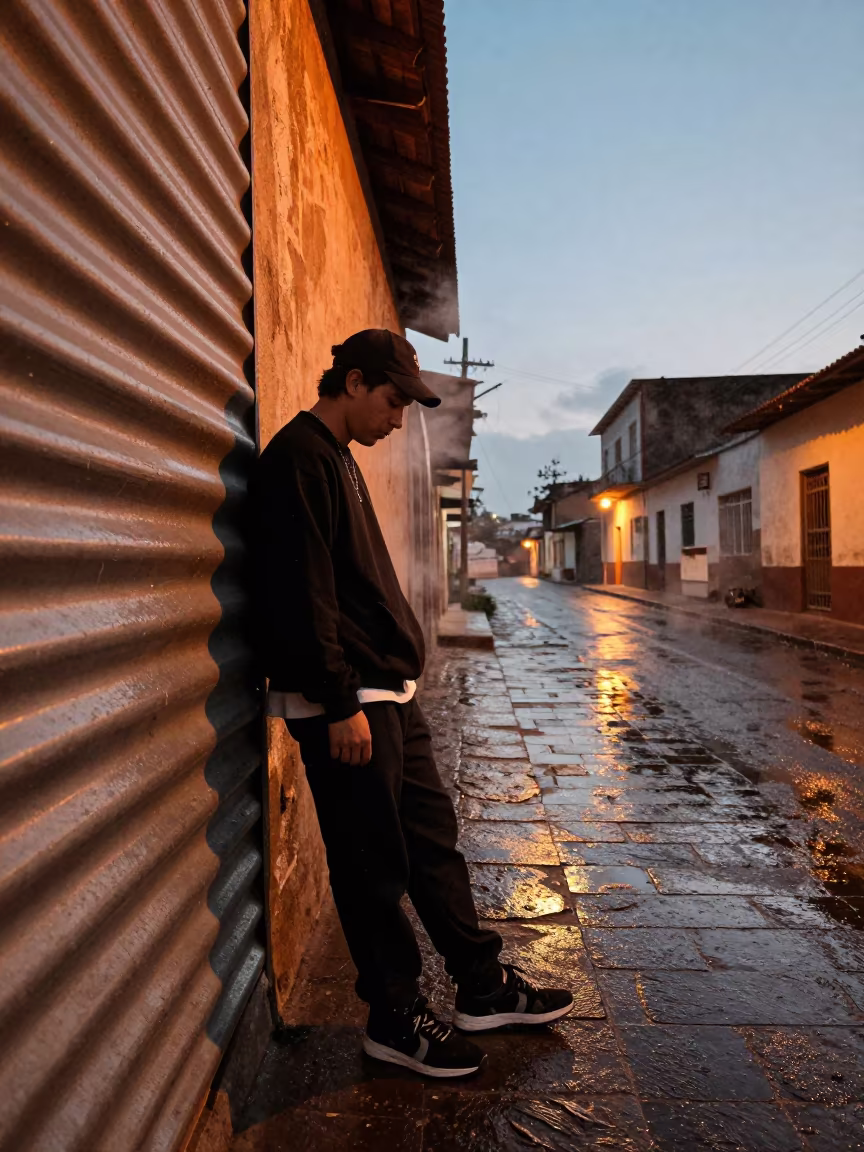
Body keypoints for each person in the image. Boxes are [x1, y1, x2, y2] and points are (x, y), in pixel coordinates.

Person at [250, 329, 573, 1078]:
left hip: (388, 692)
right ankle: (393, 1017)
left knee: (432, 843)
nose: (399, 418)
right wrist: (338, 705)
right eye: (394, 400)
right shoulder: (299, 458)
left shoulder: (337, 458)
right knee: (372, 866)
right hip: (351, 702)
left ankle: (482, 986)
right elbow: (302, 594)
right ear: (354, 382)